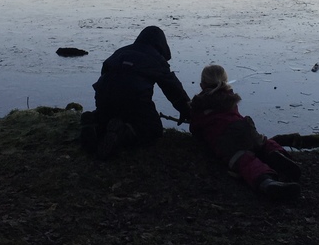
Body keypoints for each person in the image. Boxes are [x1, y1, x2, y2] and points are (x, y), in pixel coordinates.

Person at [189, 63, 302, 201]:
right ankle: (278, 155)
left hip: (225, 137)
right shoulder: (229, 97)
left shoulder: (199, 104)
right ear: (225, 81)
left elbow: (196, 128)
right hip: (245, 126)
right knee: (263, 143)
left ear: (202, 85)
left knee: (244, 160)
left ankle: (267, 182)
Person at [83, 25, 192, 159]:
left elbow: (104, 72)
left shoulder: (120, 52)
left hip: (103, 95)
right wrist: (186, 109)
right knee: (153, 129)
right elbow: (172, 87)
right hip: (134, 98)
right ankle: (123, 134)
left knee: (109, 116)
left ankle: (95, 123)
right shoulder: (156, 59)